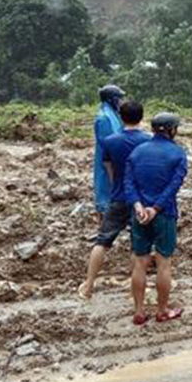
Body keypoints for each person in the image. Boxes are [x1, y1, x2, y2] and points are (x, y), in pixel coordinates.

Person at [79, 101, 152, 299]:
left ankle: (88, 286)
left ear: (121, 116)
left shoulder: (110, 142)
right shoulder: (148, 141)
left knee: (102, 241)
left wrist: (117, 186)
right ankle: (135, 289)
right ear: (141, 117)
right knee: (138, 246)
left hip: (118, 196)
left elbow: (109, 169)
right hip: (141, 200)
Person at [124, 112, 187, 325]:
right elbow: (174, 186)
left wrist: (138, 205)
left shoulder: (136, 152)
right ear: (172, 130)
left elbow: (128, 182)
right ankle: (162, 311)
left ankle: (139, 312)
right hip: (164, 213)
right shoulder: (177, 154)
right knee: (163, 263)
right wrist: (156, 208)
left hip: (139, 214)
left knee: (139, 262)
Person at [93, 84, 125, 219]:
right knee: (106, 184)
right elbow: (108, 143)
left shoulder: (113, 115)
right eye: (120, 99)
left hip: (114, 158)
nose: (122, 102)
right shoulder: (104, 118)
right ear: (112, 99)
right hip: (108, 160)